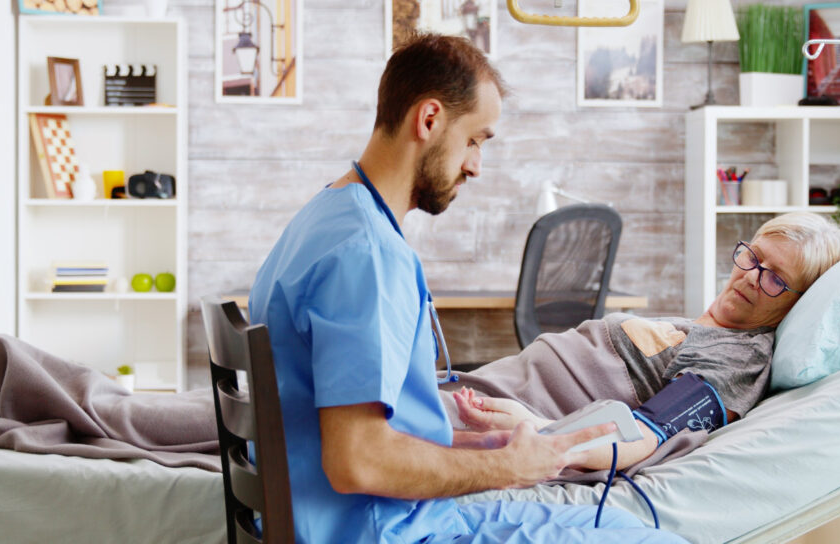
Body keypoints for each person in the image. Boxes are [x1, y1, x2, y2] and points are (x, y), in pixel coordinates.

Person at [248, 33, 689, 544]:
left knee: (616, 522)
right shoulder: (365, 255)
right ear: (429, 120)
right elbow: (358, 462)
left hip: (395, 518)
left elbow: (347, 429)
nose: (476, 165)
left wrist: (488, 448)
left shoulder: (327, 216)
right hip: (387, 532)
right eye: (476, 139)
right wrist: (509, 470)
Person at [446, 211, 840, 472]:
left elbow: (646, 433)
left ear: (796, 303)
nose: (751, 275)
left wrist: (539, 432)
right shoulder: (706, 326)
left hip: (491, 416)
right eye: (754, 257)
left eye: (775, 278)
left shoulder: (740, 358)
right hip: (481, 387)